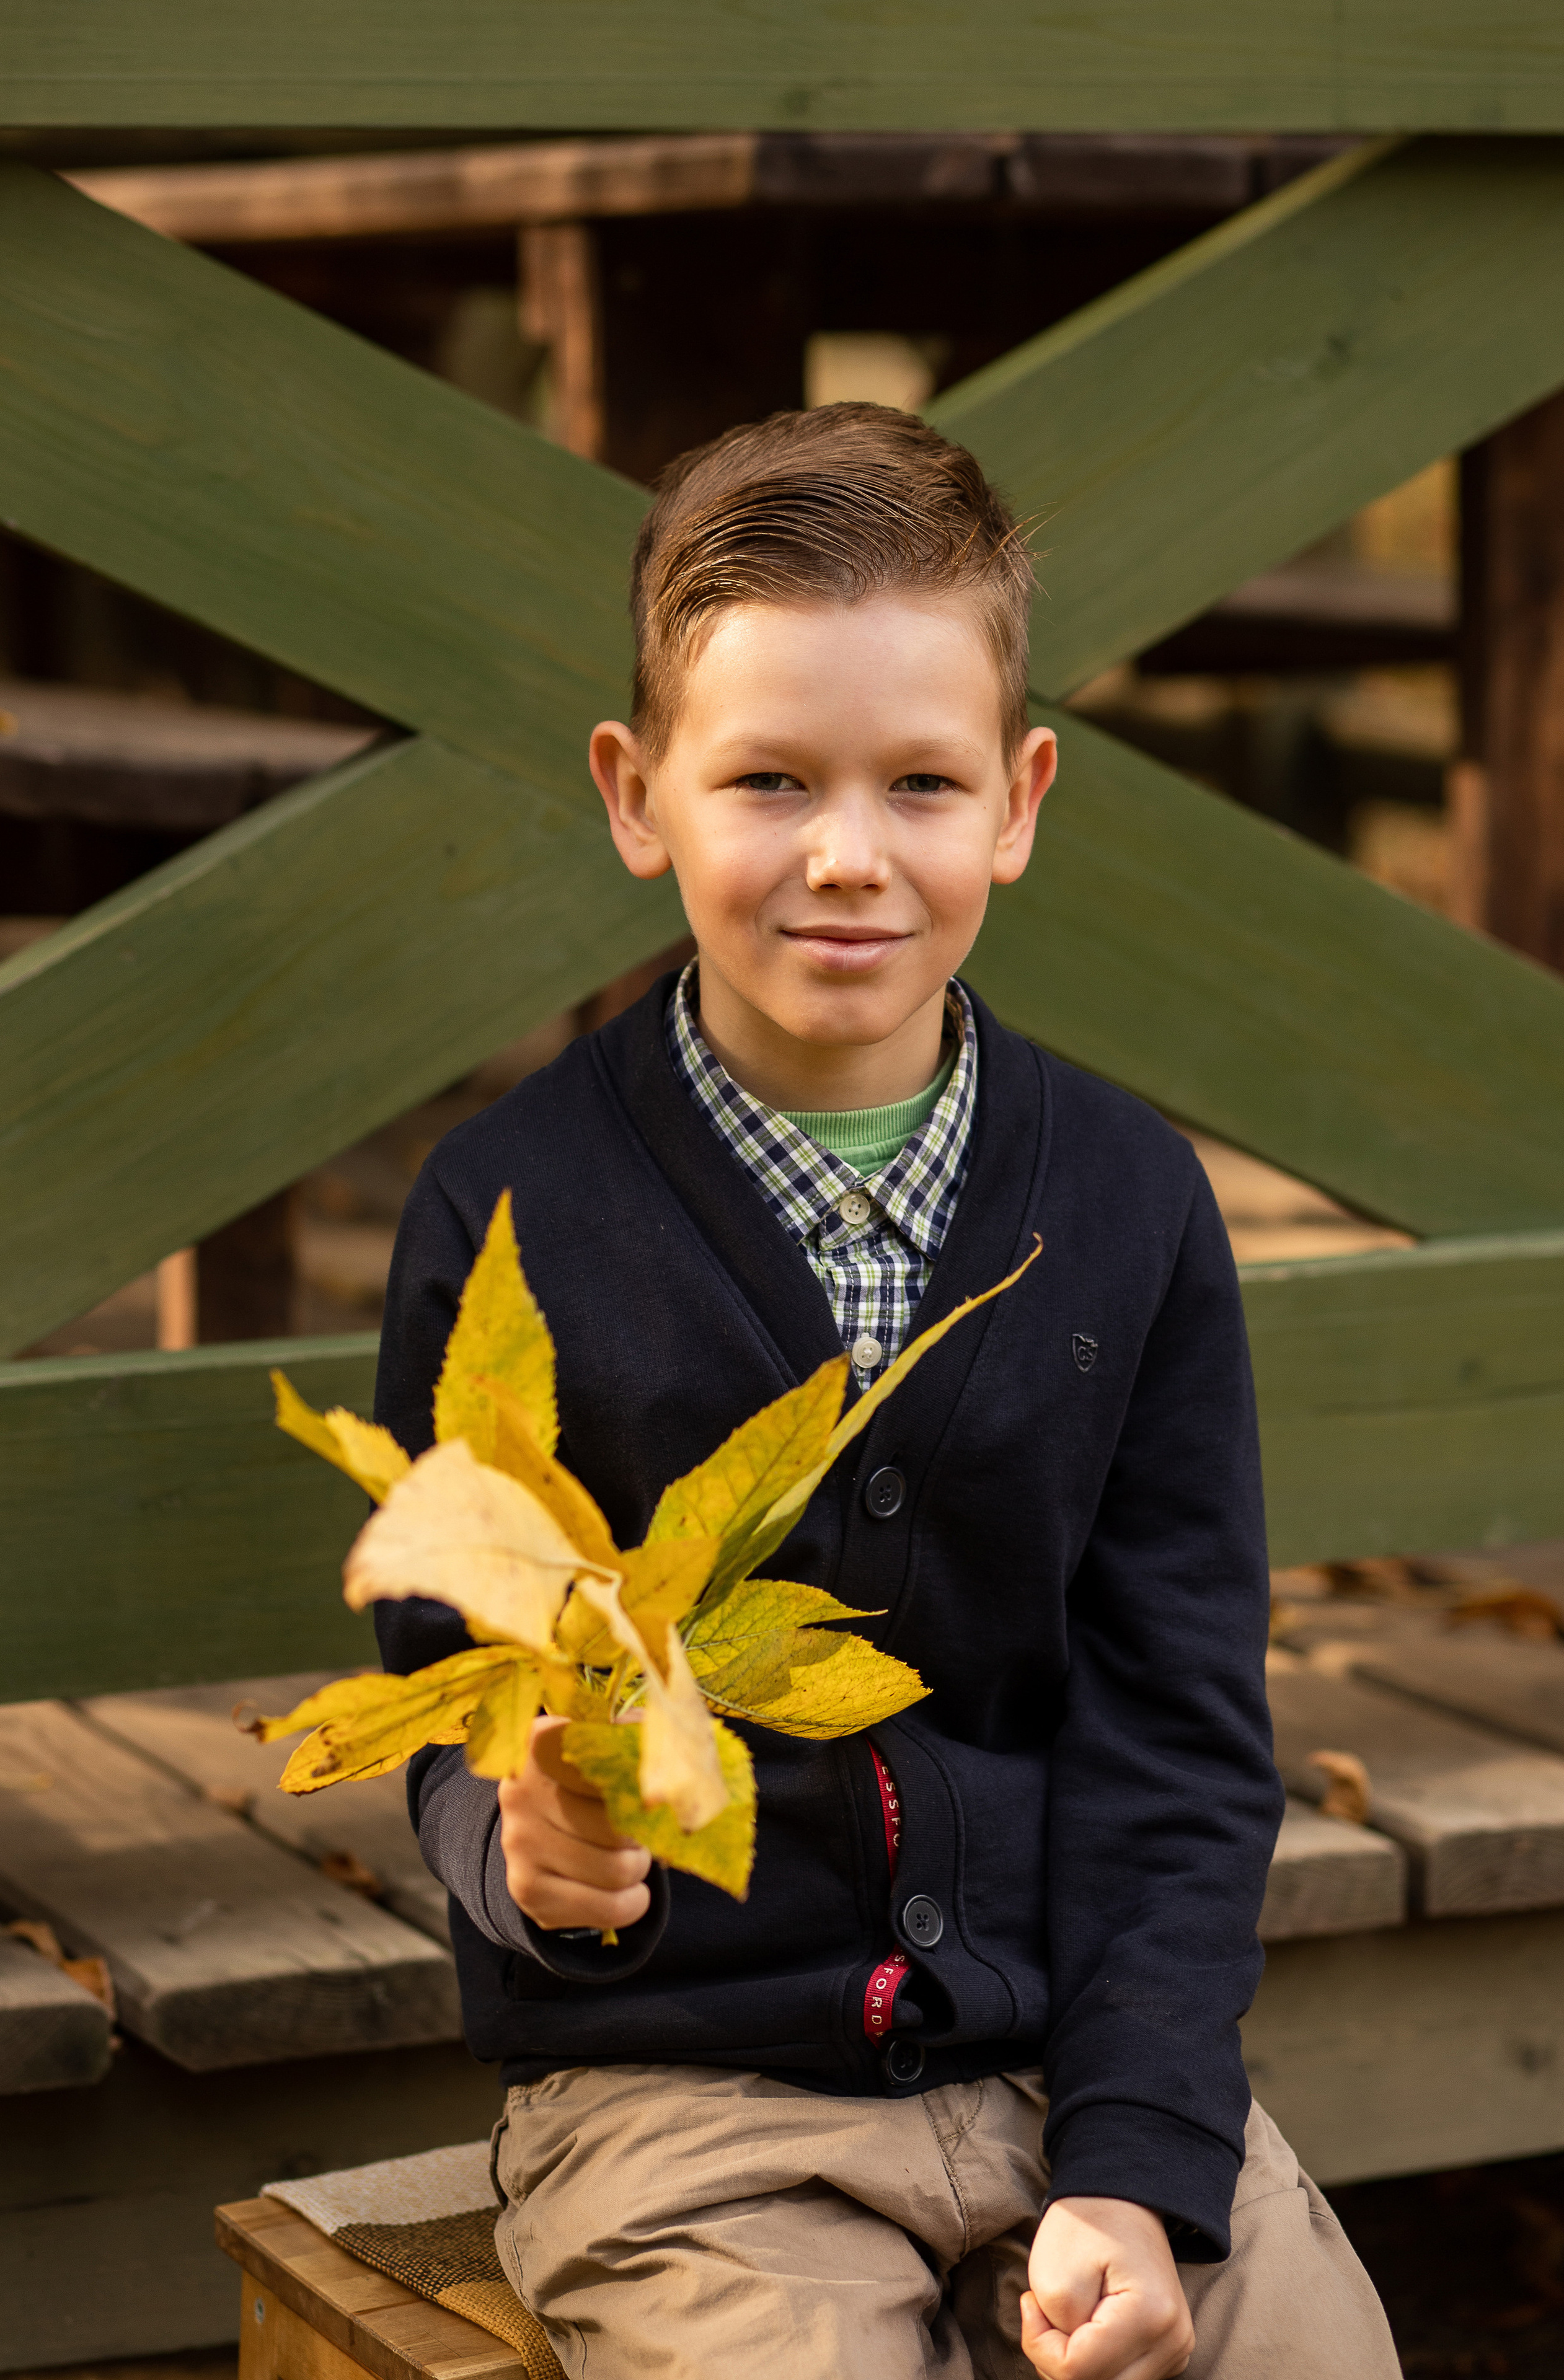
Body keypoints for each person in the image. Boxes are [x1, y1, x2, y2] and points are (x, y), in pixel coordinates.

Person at [373, 404, 1397, 2380]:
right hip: (681, 2102)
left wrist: (1142, 2164)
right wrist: (523, 1858)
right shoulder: (508, 1216)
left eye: (919, 784)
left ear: (1017, 802)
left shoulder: (1129, 1203)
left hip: (1066, 2063)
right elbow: (446, 1685)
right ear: (635, 790)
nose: (848, 856)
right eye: (768, 778)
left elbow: (1182, 1735)